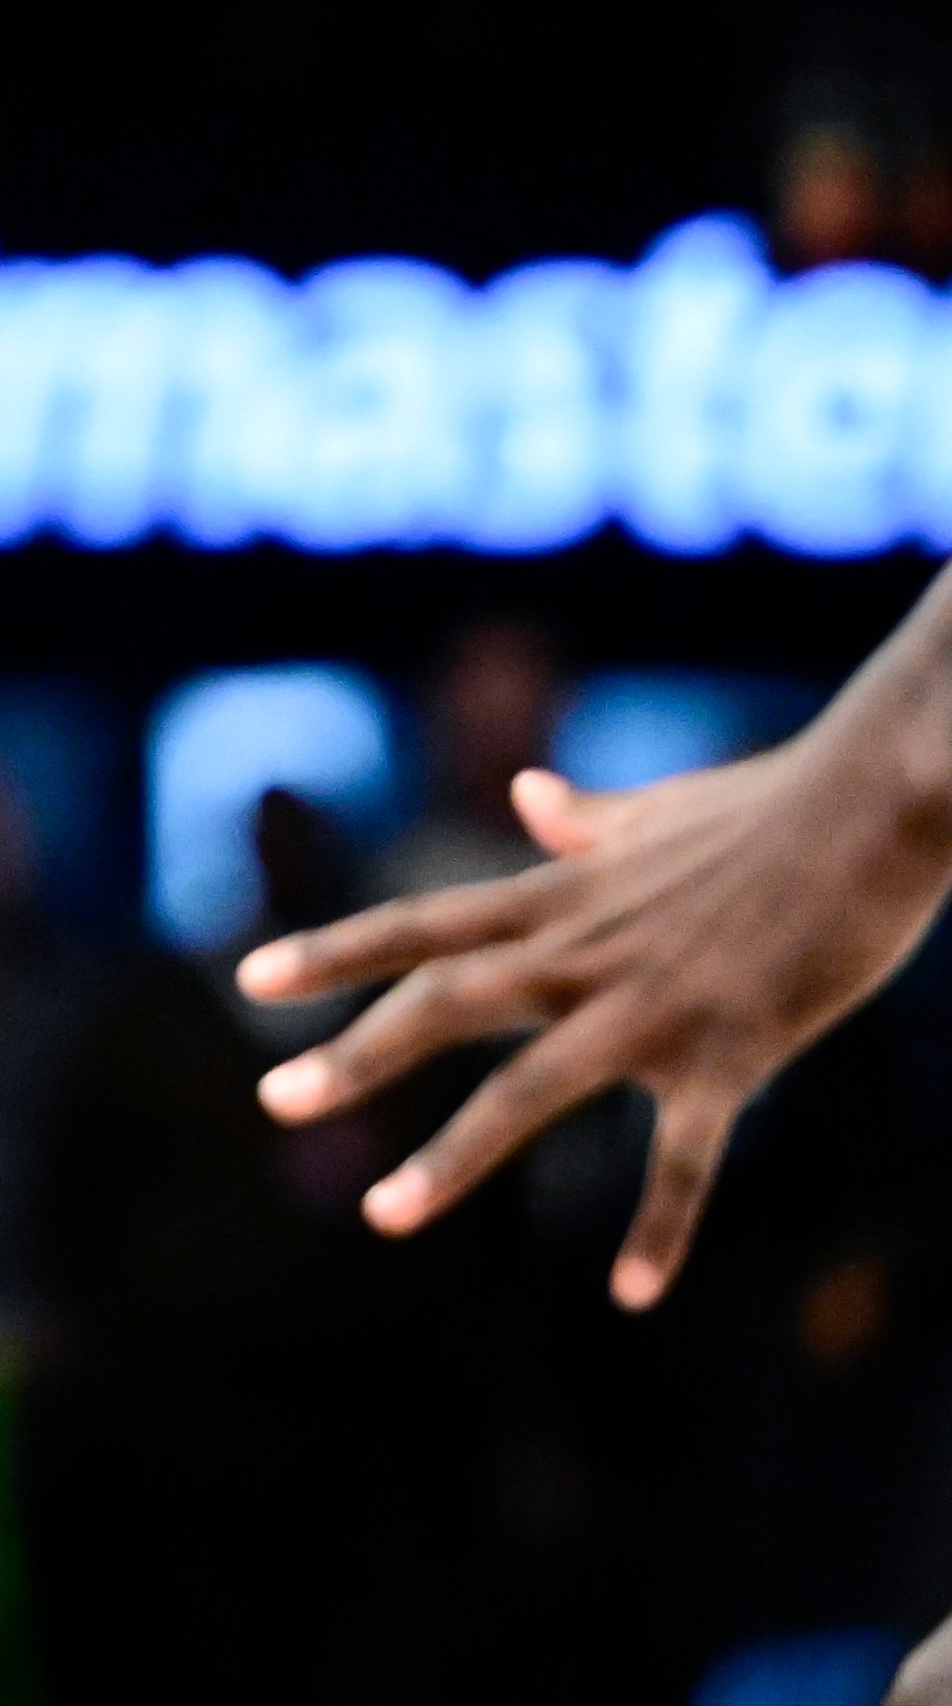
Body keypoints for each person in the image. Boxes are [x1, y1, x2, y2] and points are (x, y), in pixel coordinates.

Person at [239, 561, 952, 1691]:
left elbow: (868, 1128)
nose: (498, 718)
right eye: (476, 691)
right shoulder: (397, 887)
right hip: (443, 1360)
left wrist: (875, 782)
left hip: (674, 1363)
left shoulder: (655, 879)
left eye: (523, 689)